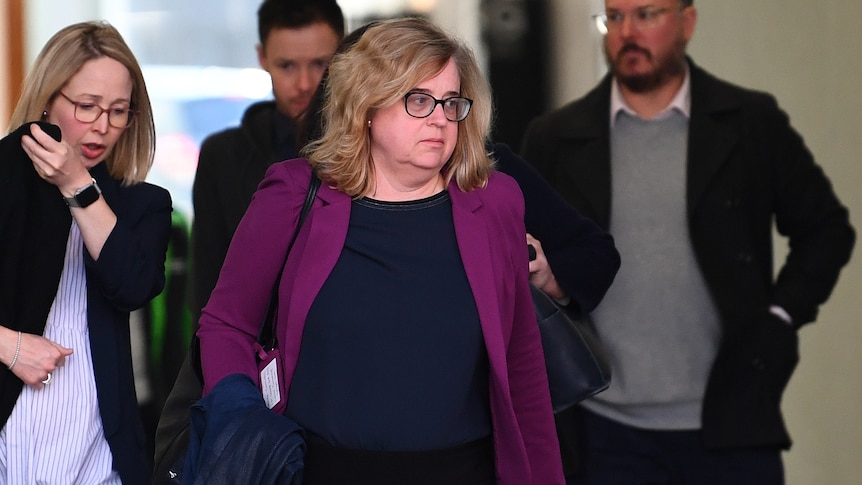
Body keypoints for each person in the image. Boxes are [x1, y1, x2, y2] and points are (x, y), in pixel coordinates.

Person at [197, 17, 565, 484]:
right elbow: (226, 323)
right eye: (418, 100)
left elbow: (522, 363)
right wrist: (239, 416)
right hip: (322, 471)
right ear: (367, 104)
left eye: (451, 102)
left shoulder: (494, 202)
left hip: (462, 471)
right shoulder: (293, 194)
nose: (438, 117)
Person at [520, 1, 856, 484]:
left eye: (646, 15)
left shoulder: (748, 121)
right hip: (603, 428)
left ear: (687, 22)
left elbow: (826, 229)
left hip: (732, 419)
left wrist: (781, 316)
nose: (627, 32)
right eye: (614, 17)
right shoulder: (555, 137)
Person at [0, 21, 172, 485]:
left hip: (96, 447)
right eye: (87, 106)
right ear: (46, 101)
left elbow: (132, 285)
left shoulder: (143, 204)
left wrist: (78, 183)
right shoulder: (5, 181)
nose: (102, 126)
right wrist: (8, 344)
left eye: (119, 111)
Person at [190, 0, 344, 321]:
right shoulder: (223, 157)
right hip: (248, 355)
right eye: (287, 65)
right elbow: (207, 291)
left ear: (343, 56)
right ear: (262, 58)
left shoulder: (376, 147)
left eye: (320, 64)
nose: (304, 83)